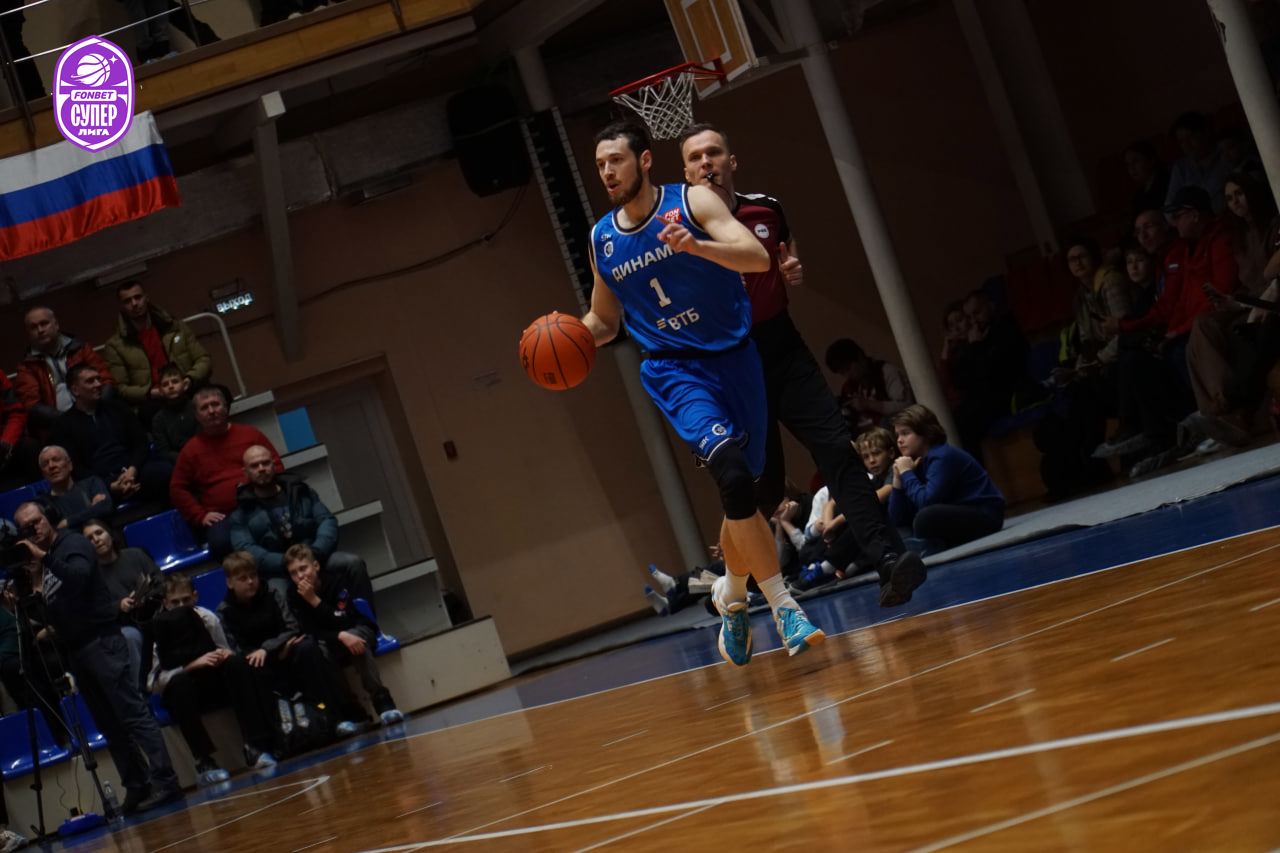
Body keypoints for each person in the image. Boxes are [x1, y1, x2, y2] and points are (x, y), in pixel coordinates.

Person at [583, 120, 826, 666]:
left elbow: (756, 257)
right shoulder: (602, 239)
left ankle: (731, 594)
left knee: (754, 498)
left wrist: (696, 245)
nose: (607, 172)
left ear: (645, 160)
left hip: (736, 359)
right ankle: (785, 608)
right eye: (600, 165)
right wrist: (570, 337)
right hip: (675, 370)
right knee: (732, 475)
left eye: (616, 160)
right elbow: (604, 320)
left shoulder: (692, 202)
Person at [676, 122, 924, 608]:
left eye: (714, 153)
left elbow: (786, 249)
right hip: (732, 362)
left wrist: (792, 266)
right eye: (695, 157)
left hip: (783, 347)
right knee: (762, 488)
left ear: (732, 161)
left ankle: (890, 561)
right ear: (685, 174)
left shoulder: (766, 208)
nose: (706, 162)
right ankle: (730, 584)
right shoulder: (681, 231)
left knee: (837, 450)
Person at [10, 502, 181, 816]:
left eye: (36, 522)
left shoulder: (72, 544)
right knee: (109, 725)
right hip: (76, 650)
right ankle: (137, 785)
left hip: (102, 640)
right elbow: (53, 612)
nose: (34, 529)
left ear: (48, 519)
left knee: (132, 715)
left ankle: (166, 782)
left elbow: (79, 578)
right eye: (26, 528)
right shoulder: (46, 563)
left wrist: (44, 559)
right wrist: (31, 589)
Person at [1099, 186, 1239, 472]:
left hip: (1220, 317)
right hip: (1192, 324)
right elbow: (1180, 304)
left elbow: (1214, 294)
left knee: (1166, 350)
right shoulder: (1184, 251)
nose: (1174, 223)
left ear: (1194, 215)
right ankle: (1161, 434)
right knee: (1135, 355)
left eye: (1177, 217)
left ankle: (1207, 422)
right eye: (1138, 231)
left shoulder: (1199, 246)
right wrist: (1169, 332)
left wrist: (1172, 332)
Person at [215, 551, 366, 739]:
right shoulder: (224, 611)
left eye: (253, 576)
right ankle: (269, 740)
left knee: (308, 647)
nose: (251, 582)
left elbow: (292, 627)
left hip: (285, 652)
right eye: (243, 578)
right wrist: (271, 654)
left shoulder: (272, 593)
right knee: (240, 667)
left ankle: (334, 719)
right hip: (258, 665)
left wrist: (270, 648)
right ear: (230, 583)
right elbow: (235, 648)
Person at [148, 574, 278, 786]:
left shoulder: (207, 618)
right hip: (183, 690)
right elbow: (153, 683)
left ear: (195, 597)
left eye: (185, 600)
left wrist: (224, 655)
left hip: (211, 681)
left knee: (237, 664)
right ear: (165, 603)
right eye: (175, 602)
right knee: (179, 685)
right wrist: (189, 666)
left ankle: (254, 745)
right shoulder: (159, 630)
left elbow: (223, 647)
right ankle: (204, 761)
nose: (181, 606)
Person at [284, 545, 403, 726]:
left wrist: (314, 601)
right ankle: (352, 711)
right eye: (294, 573)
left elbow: (346, 620)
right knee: (317, 650)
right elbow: (310, 631)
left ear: (315, 566)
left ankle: (383, 702)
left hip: (358, 627)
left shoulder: (336, 581)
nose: (300, 576)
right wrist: (339, 636)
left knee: (355, 639)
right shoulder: (293, 595)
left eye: (303, 568)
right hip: (330, 639)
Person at [229, 445, 370, 597]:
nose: (261, 468)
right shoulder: (241, 513)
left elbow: (326, 521)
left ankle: (363, 613)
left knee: (353, 564)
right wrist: (288, 563)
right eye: (255, 466)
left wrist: (314, 552)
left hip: (315, 557)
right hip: (278, 571)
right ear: (246, 472)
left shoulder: (301, 492)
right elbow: (247, 549)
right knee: (276, 594)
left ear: (274, 464)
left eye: (265, 463)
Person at [170, 385, 283, 557]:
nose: (211, 411)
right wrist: (200, 515)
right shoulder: (190, 451)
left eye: (215, 404)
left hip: (260, 504)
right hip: (223, 518)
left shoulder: (251, 435)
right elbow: (177, 488)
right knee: (220, 543)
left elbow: (276, 466)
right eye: (204, 408)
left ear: (226, 408)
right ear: (197, 416)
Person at [888, 405, 1005, 554]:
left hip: (986, 515)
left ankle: (926, 545)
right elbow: (896, 519)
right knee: (898, 529)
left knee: (926, 517)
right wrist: (898, 480)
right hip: (957, 513)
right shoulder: (915, 462)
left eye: (905, 433)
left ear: (924, 433)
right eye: (897, 435)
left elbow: (927, 502)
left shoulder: (942, 456)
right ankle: (926, 544)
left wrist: (906, 473)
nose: (899, 441)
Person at [51, 364, 172, 505]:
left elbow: (140, 443)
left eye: (98, 379)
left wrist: (132, 470)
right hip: (99, 483)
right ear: (75, 390)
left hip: (134, 471)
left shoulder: (117, 407)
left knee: (165, 471)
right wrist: (109, 485)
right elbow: (76, 468)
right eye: (90, 381)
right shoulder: (64, 425)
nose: (98, 384)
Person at [103, 280, 212, 424]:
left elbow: (203, 359)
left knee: (218, 396)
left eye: (137, 297)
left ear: (146, 298)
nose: (134, 303)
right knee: (147, 416)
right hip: (153, 400)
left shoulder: (174, 327)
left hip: (186, 387)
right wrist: (150, 393)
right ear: (122, 306)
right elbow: (121, 388)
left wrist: (189, 379)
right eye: (127, 301)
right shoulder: (116, 345)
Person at [82, 519, 164, 690]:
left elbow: (160, 582)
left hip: (153, 614)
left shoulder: (135, 555)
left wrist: (146, 597)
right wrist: (119, 606)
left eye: (99, 533)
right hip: (123, 626)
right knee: (129, 636)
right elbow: (94, 612)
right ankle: (140, 691)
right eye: (89, 538)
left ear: (110, 535)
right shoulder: (90, 578)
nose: (96, 540)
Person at [15, 307, 115, 440]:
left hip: (96, 414)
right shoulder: (27, 367)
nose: (40, 330)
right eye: (34, 327)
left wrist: (98, 410)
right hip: (58, 427)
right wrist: (69, 421)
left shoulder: (80, 349)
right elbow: (32, 405)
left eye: (44, 323)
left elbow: (107, 381)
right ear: (29, 334)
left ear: (56, 324)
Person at [823, 337, 914, 434]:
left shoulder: (886, 372)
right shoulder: (848, 387)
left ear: (859, 357)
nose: (847, 376)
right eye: (842, 373)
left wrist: (869, 404)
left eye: (848, 369)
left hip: (894, 433)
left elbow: (907, 407)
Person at [1165, 111, 1229, 214]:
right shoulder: (1181, 167)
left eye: (1190, 137)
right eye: (1181, 141)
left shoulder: (1226, 156)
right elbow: (1169, 206)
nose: (1186, 145)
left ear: (1205, 133)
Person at [39, 445, 115, 530]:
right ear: (43, 474)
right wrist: (92, 511)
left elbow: (105, 507)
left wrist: (67, 522)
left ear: (69, 465)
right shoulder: (45, 504)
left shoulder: (92, 483)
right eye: (45, 464)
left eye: (56, 460)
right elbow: (55, 530)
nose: (51, 466)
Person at [151, 363, 200, 461]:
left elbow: (204, 437)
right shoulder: (158, 419)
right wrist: (185, 459)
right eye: (165, 384)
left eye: (175, 381)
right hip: (179, 462)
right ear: (160, 391)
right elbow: (164, 451)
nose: (171, 386)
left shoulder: (197, 407)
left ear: (185, 385)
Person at [1123, 140, 1170, 217]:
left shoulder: (1168, 183)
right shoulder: (1138, 195)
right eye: (1128, 164)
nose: (1132, 168)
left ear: (1151, 160)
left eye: (1136, 161)